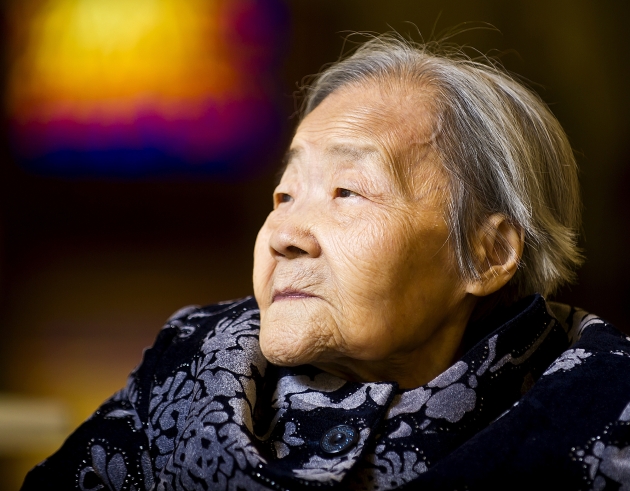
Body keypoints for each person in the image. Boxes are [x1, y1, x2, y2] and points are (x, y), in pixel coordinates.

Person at [22, 34, 630, 491]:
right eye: (285, 194)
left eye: (347, 192)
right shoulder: (191, 357)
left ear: (487, 253)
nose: (285, 234)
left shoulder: (604, 406)